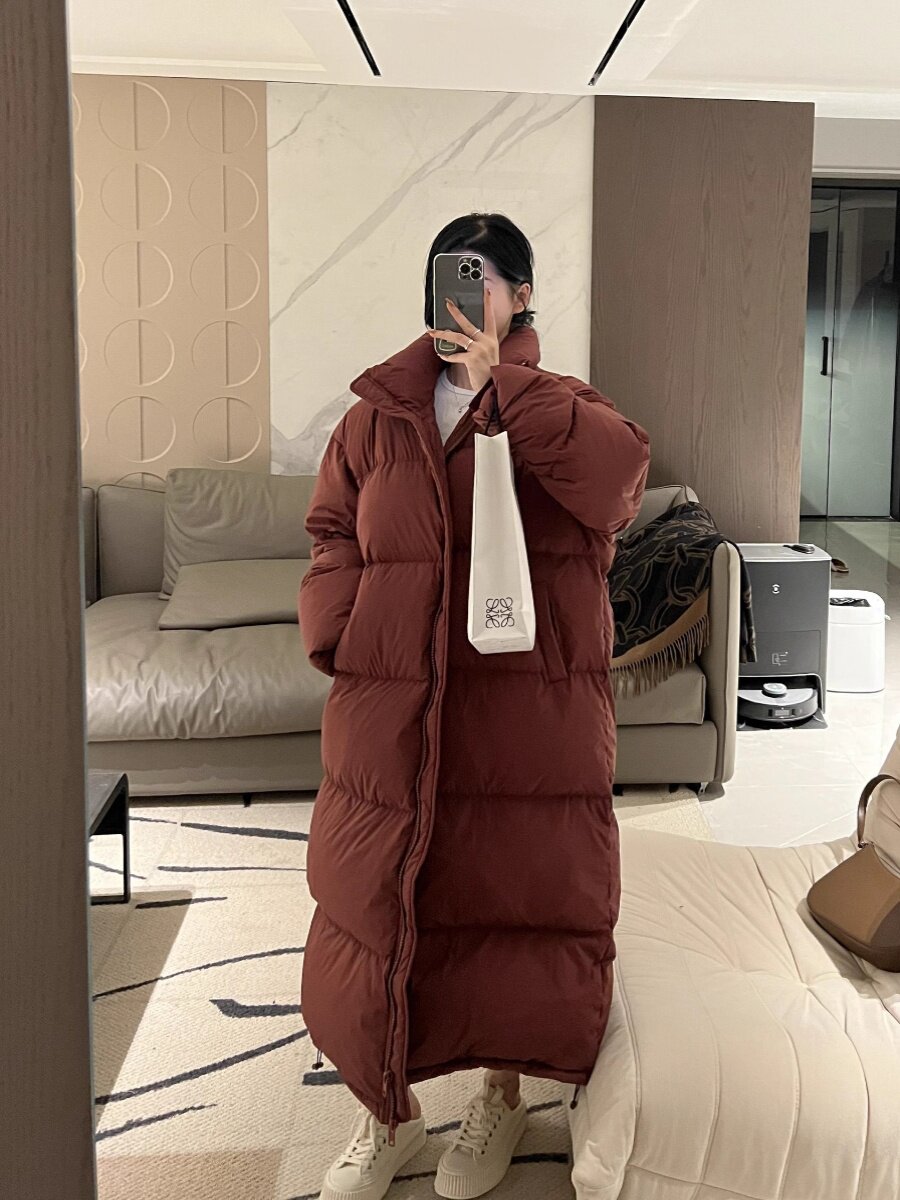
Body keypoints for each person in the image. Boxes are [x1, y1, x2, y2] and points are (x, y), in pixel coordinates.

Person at [299, 212, 651, 1200]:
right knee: (379, 899)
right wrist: (343, 631)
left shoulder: (558, 404)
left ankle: (502, 1093)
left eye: (480, 277)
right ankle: (388, 1113)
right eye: (446, 277)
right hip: (392, 707)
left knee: (508, 896)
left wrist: (511, 388)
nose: (460, 296)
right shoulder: (377, 417)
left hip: (522, 718)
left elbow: (619, 485)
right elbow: (332, 528)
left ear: (521, 297)